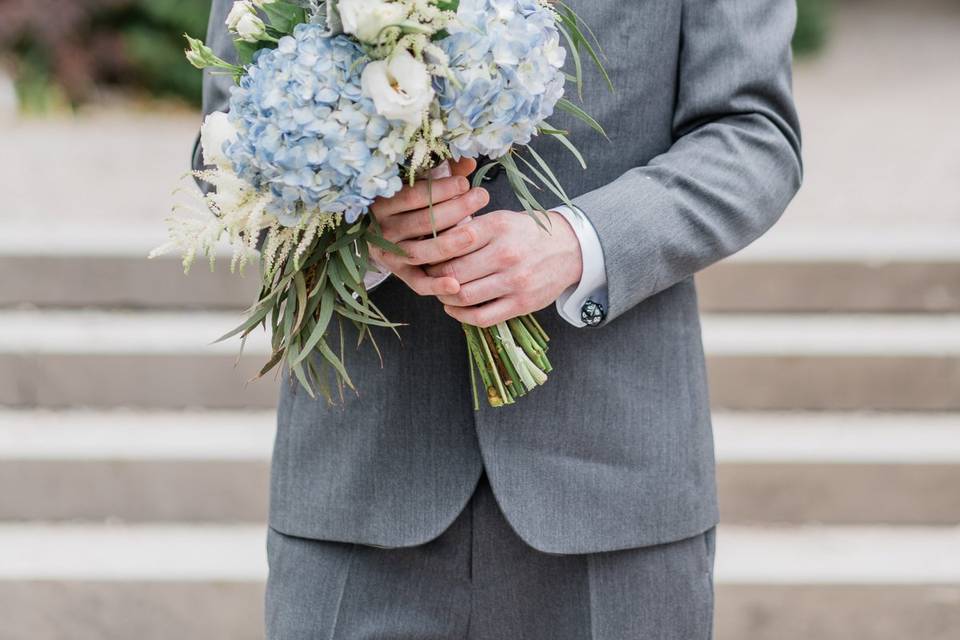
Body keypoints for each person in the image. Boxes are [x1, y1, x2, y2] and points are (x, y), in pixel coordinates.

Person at [194, 1, 802, 637]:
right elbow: (227, 144)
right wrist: (362, 230)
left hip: (617, 488)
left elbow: (753, 133)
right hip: (361, 484)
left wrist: (578, 244)